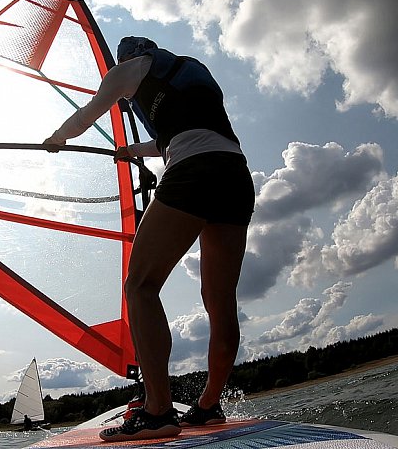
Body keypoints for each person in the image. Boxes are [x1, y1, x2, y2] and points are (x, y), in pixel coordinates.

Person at [43, 36, 254, 442]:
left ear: (129, 57)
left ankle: (158, 411)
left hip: (193, 174)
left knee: (140, 286)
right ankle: (209, 406)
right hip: (234, 175)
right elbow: (173, 139)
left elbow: (86, 116)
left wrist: (58, 138)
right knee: (220, 299)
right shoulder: (190, 71)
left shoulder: (126, 70)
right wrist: (129, 152)